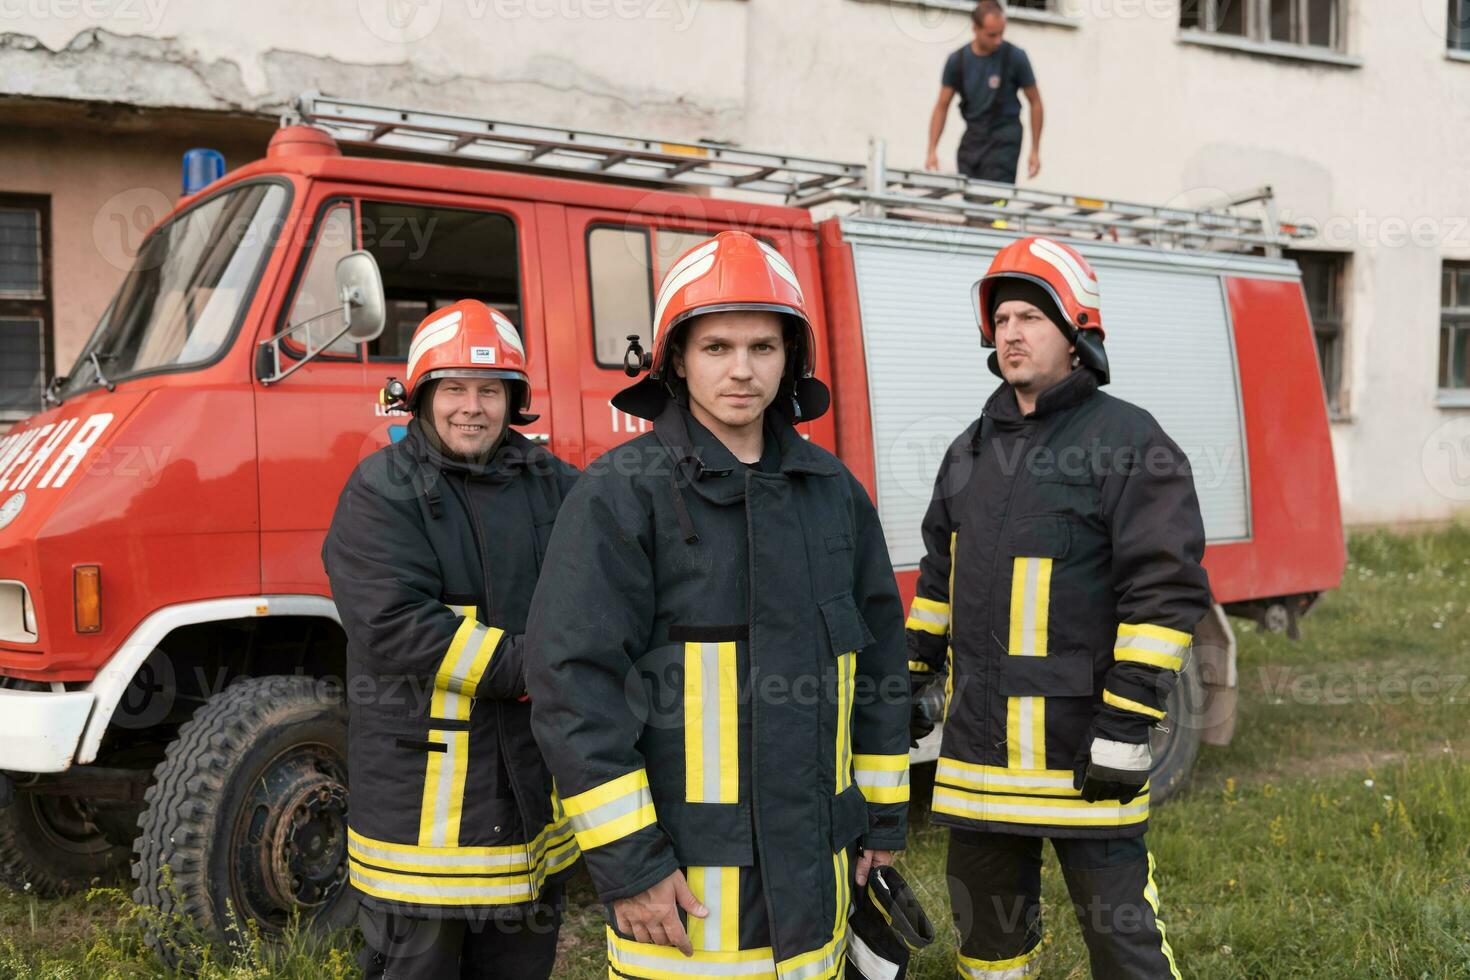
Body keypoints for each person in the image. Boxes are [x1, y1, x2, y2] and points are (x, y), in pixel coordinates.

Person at [525, 231, 911, 980]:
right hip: (689, 909)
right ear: (675, 358)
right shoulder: (620, 495)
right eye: (717, 347)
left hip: (819, 892)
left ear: (790, 359)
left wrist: (885, 817)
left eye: (764, 348)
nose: (742, 370)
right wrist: (630, 864)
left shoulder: (834, 495)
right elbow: (576, 689)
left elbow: (879, 665)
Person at [906, 236, 1209, 979]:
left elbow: (1162, 590)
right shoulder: (969, 451)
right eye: (1002, 319)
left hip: (1083, 758)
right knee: (987, 946)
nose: (1011, 332)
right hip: (978, 766)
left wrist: (1128, 724)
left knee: (1124, 944)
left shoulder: (1130, 441)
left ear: (1076, 334)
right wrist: (911, 675)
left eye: (1031, 318)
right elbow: (938, 579)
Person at [322, 300, 580, 979]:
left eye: (489, 390)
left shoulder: (554, 485)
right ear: (422, 397)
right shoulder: (381, 491)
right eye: (455, 388)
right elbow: (393, 624)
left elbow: (613, 576)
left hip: (525, 802)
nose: (473, 407)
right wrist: (537, 666)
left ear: (512, 400)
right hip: (421, 818)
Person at [925, 0, 1044, 183]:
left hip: (1005, 139)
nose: (998, 40)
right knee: (970, 196)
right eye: (992, 35)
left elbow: (1035, 102)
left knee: (994, 198)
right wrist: (932, 149)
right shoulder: (957, 61)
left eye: (1001, 34)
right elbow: (942, 105)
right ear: (975, 29)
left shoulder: (1015, 57)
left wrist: (1035, 150)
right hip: (973, 139)